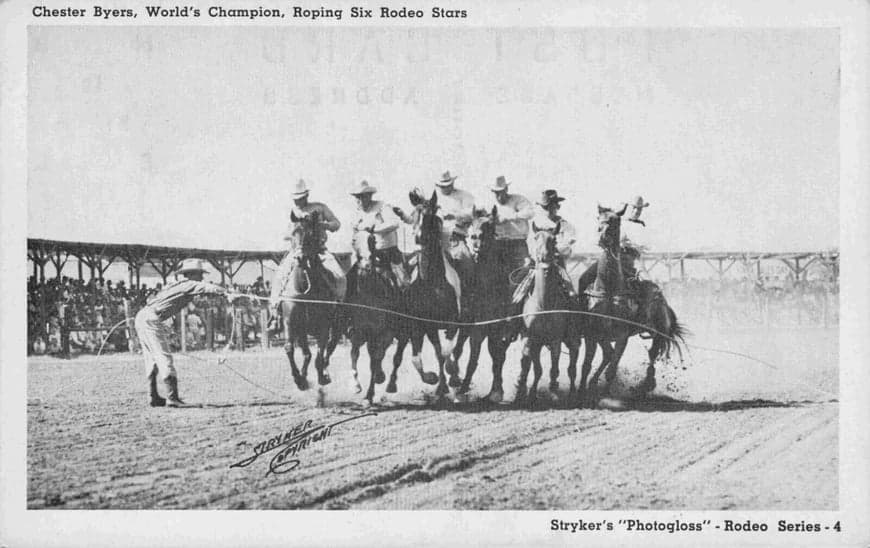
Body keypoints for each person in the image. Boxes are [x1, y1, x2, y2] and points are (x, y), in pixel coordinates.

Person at [135, 258, 237, 408]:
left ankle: (154, 396)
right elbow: (205, 287)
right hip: (151, 318)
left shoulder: (180, 286)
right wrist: (227, 293)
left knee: (151, 358)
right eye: (200, 274)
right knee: (164, 357)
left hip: (144, 316)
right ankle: (172, 398)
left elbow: (199, 296)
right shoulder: (189, 284)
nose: (202, 277)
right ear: (193, 274)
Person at [267, 179, 346, 333]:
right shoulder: (291, 212)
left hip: (320, 250)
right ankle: (275, 314)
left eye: (300, 198)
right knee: (279, 277)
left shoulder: (319, 207)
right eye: (295, 199)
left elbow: (337, 223)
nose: (298, 201)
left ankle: (340, 310)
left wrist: (323, 225)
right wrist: (295, 230)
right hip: (297, 251)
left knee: (340, 276)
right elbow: (284, 234)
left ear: (306, 196)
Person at [513, 189, 578, 303]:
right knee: (516, 287)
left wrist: (554, 251)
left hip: (557, 265)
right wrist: (535, 254)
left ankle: (575, 315)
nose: (548, 210)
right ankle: (512, 317)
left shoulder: (564, 225)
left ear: (557, 206)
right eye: (545, 207)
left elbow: (567, 245)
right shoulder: (535, 223)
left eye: (551, 206)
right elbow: (529, 242)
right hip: (535, 263)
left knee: (571, 294)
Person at [346, 180, 408, 294]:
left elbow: (394, 223)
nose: (359, 200)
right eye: (357, 197)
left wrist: (374, 229)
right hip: (367, 257)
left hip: (388, 254)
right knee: (348, 281)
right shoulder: (356, 214)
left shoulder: (382, 207)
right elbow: (354, 237)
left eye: (363, 197)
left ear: (369, 196)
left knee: (402, 284)